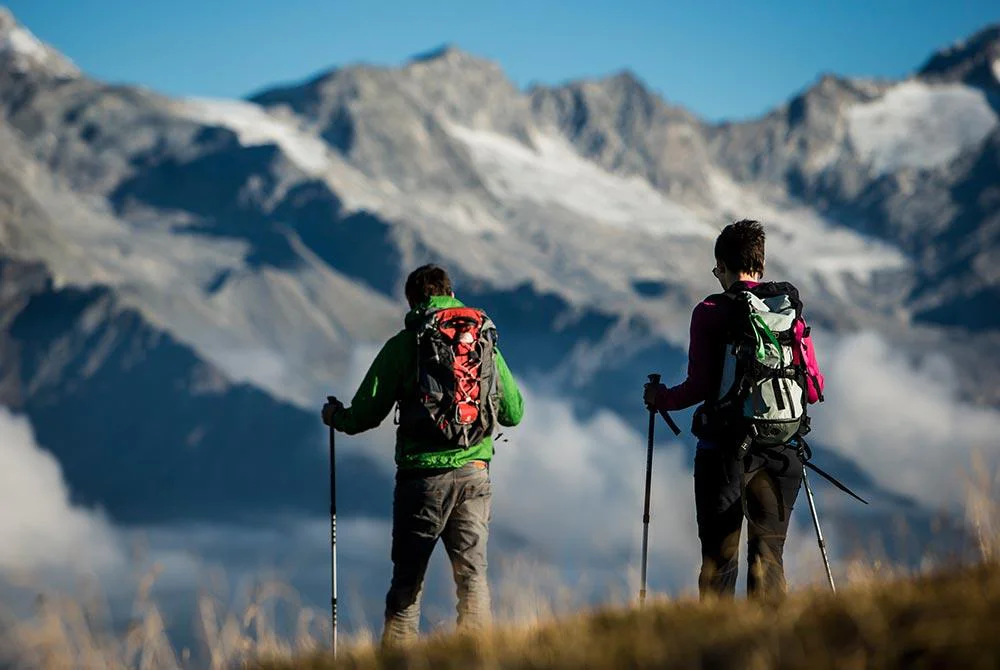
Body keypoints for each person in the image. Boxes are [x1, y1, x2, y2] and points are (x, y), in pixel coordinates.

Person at [322, 264, 524, 647]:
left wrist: (336, 417)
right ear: (450, 293)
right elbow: (514, 413)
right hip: (474, 474)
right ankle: (478, 659)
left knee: (408, 582)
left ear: (413, 300)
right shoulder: (482, 343)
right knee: (472, 577)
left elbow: (366, 414)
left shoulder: (406, 344)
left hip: (422, 482)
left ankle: (398, 661)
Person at [643, 219, 824, 601]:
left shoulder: (710, 310)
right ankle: (772, 649)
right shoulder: (787, 309)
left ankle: (716, 649)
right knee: (769, 557)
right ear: (760, 263)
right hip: (781, 452)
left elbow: (700, 386)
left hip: (724, 456)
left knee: (719, 560)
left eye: (716, 270)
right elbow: (813, 388)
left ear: (723, 267)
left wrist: (661, 399)